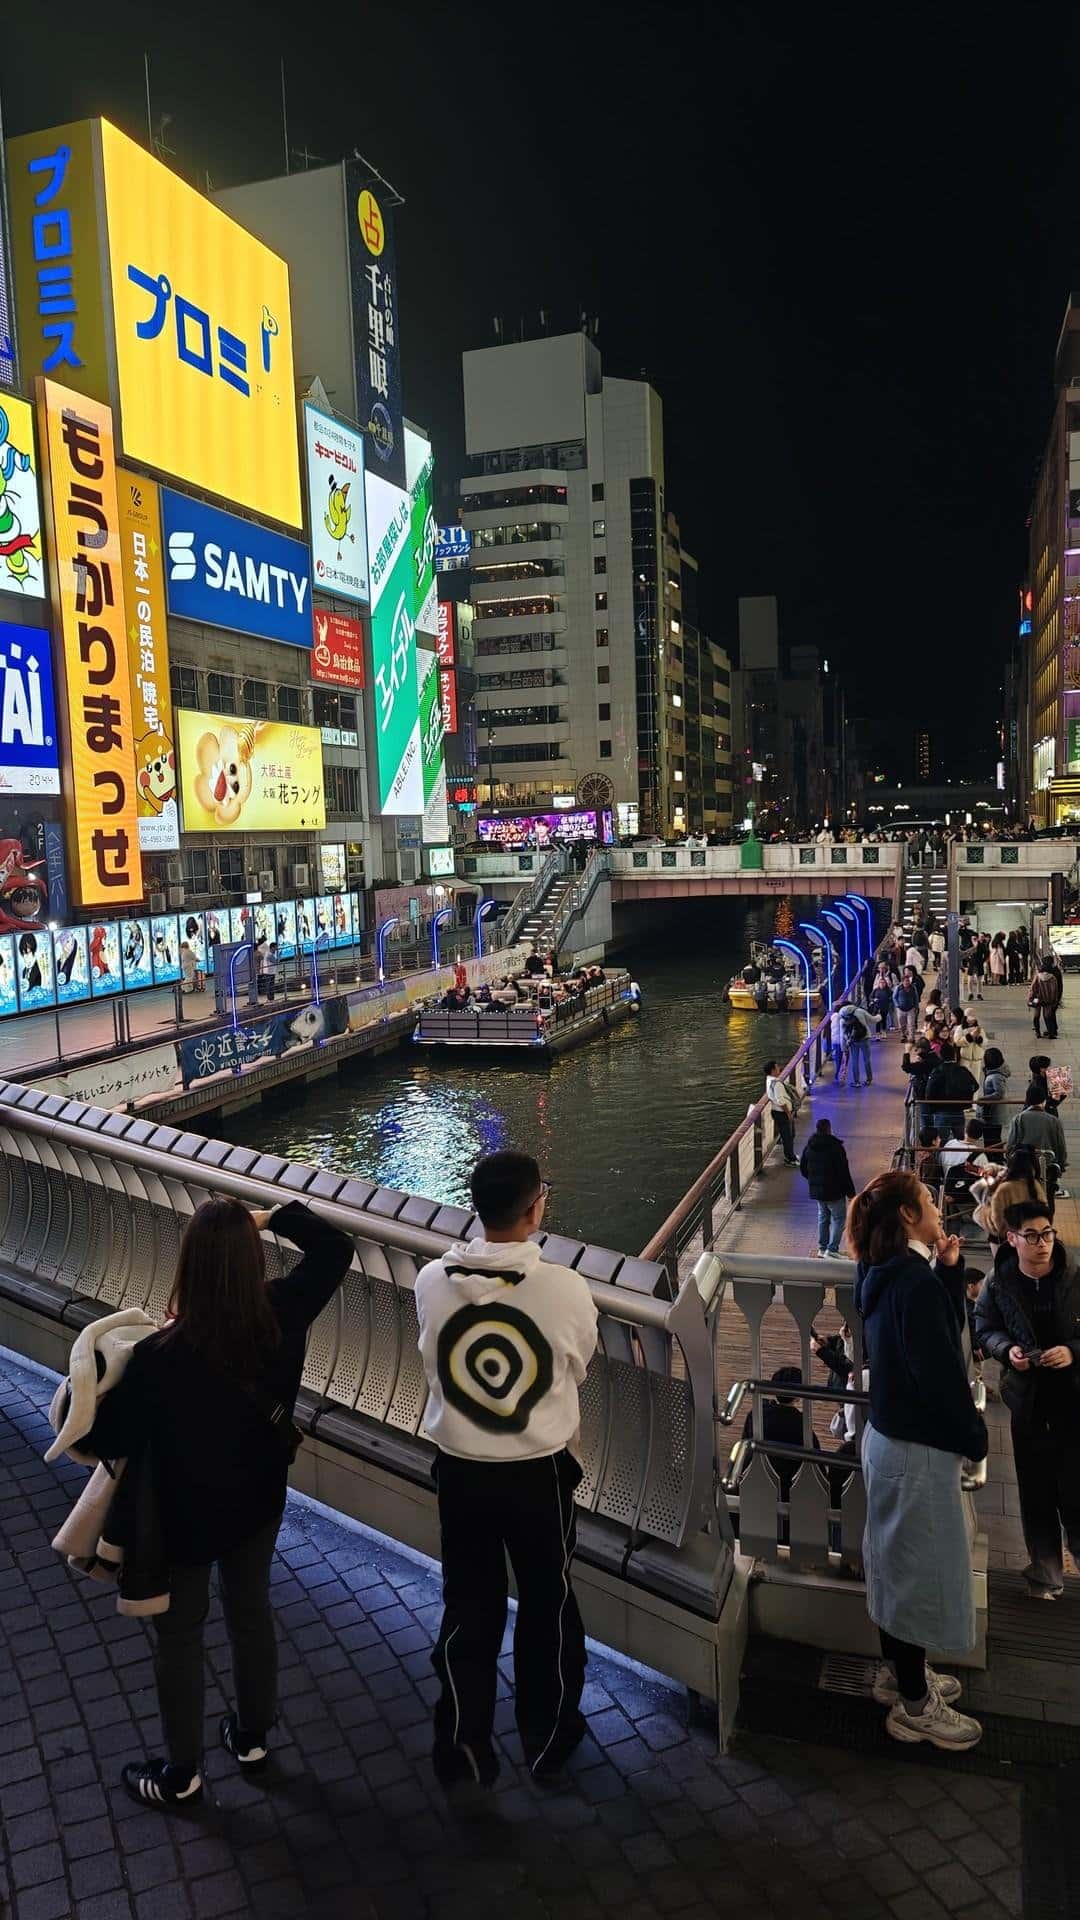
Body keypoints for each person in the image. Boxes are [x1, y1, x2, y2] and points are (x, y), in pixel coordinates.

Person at [82, 1199, 355, 1807]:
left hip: (181, 1517)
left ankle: (182, 1775)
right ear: (252, 1260)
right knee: (251, 1611)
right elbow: (337, 1249)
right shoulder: (283, 1311)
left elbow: (104, 1441)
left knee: (181, 1636)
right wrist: (268, 1217)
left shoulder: (156, 1357)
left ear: (188, 1265)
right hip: (258, 1499)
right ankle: (252, 1738)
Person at [414, 1151, 598, 1785]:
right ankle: (545, 1737)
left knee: (468, 1606)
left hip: (459, 1469)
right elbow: (577, 1364)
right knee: (547, 1604)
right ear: (534, 1210)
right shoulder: (565, 1287)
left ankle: (463, 1744)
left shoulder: (430, 1282)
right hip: (536, 1473)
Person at [849, 1172, 987, 1750]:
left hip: (887, 1437)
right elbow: (940, 1375)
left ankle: (900, 1676)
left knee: (892, 1566)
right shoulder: (914, 1283)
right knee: (915, 1578)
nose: (936, 1208)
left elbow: (923, 1337)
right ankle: (914, 1707)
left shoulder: (883, 1273)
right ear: (907, 1216)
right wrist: (975, 1436)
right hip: (917, 1448)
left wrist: (948, 1273)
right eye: (928, 1201)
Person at [975, 1203, 1080, 1598]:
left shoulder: (1074, 1274)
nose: (1043, 1243)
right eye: (1032, 1236)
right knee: (1035, 1491)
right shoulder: (999, 1283)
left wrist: (1072, 1351)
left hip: (1072, 1397)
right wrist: (1007, 1351)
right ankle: (1046, 1572)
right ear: (1012, 1239)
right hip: (1028, 1401)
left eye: (1048, 1233)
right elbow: (984, 1327)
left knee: (1076, 1486)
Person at [800, 1117, 856, 1258]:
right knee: (839, 1219)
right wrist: (851, 1194)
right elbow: (844, 1173)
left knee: (823, 1218)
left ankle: (822, 1248)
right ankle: (832, 1249)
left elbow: (803, 1168)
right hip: (834, 1191)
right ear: (829, 1129)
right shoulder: (836, 1148)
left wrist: (814, 1181)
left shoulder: (809, 1146)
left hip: (818, 1192)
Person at [977, 1147, 1050, 1244]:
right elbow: (1044, 1211)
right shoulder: (1035, 1185)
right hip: (1031, 1237)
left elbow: (997, 1220)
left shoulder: (1004, 1188)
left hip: (1007, 1238)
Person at [1007, 1085, 1068, 1188]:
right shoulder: (1054, 1121)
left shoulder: (1018, 1119)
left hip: (1025, 1166)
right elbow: (1061, 1146)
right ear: (1044, 1101)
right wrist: (1061, 1166)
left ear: (1027, 1100)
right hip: (1048, 1166)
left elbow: (1011, 1145)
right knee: (1048, 1196)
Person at [925, 1043, 978, 1142]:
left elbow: (929, 1092)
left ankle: (942, 1157)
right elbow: (975, 1085)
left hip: (942, 1111)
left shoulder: (937, 1071)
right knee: (960, 1142)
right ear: (954, 1055)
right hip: (959, 1111)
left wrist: (932, 1107)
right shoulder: (962, 1070)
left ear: (940, 1056)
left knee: (941, 1142)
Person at [764, 1060, 799, 1163]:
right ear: (773, 1070)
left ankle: (790, 1155)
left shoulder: (769, 1080)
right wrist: (788, 1113)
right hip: (782, 1113)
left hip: (776, 1112)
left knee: (786, 1135)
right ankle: (790, 1159)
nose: (779, 1068)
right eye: (777, 1067)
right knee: (788, 1136)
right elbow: (781, 1101)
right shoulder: (777, 1084)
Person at [977, 1046, 1011, 1148]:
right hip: (993, 1111)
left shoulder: (996, 1076)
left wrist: (982, 1100)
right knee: (993, 1138)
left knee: (992, 1139)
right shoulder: (996, 1073)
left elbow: (999, 1093)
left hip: (993, 1112)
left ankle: (994, 1158)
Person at [840, 1003, 874, 1087]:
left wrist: (844, 1046)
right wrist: (879, 1016)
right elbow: (873, 1019)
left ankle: (857, 1082)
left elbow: (843, 1034)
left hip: (853, 1041)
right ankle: (869, 1079)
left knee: (855, 1061)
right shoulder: (860, 1011)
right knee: (867, 1060)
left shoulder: (842, 1019)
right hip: (864, 1038)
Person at [1030, 960, 1061, 1041]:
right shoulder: (1053, 978)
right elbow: (1055, 990)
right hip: (1048, 1000)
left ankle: (1037, 1033)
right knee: (1047, 1016)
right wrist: (1055, 1001)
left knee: (1036, 1016)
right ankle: (1051, 1033)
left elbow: (1033, 989)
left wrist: (1030, 998)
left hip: (1038, 998)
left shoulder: (1038, 976)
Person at [893, 969, 920, 1044]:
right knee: (902, 1024)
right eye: (905, 981)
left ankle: (912, 1037)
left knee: (911, 1024)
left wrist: (916, 1007)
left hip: (910, 1008)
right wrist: (897, 1005)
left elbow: (916, 998)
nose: (907, 982)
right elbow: (894, 997)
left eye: (908, 981)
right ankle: (903, 1035)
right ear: (902, 981)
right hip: (901, 1009)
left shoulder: (913, 988)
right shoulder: (898, 988)